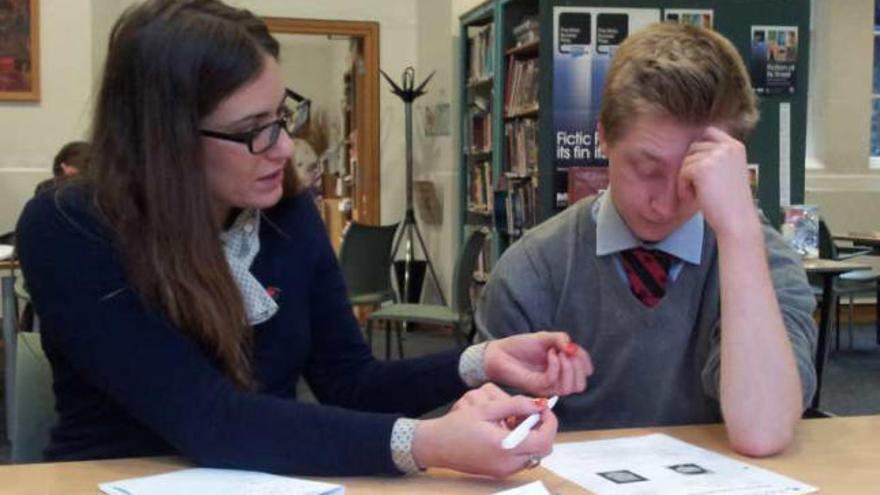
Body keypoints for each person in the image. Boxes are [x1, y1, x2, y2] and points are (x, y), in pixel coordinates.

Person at [16, 0, 592, 478]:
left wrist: (481, 360)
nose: (285, 147)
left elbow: (350, 383)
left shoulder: (284, 212)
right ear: (164, 139)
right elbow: (210, 421)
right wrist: (427, 443)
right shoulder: (70, 228)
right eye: (252, 131)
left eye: (282, 116)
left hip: (265, 482)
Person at [477, 22, 816, 457]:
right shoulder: (533, 270)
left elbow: (763, 432)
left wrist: (739, 232)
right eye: (647, 168)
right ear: (603, 138)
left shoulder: (761, 259)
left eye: (695, 177)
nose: (664, 203)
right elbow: (492, 440)